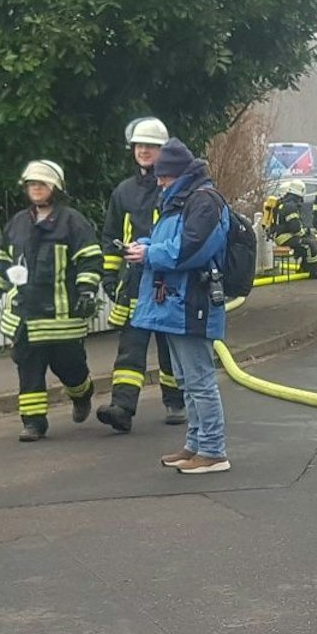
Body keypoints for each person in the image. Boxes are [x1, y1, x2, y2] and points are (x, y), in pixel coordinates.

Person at [123, 138, 232, 474]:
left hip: (191, 302)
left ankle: (213, 451)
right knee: (186, 378)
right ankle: (196, 446)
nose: (159, 181)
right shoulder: (182, 200)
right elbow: (173, 243)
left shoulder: (202, 202)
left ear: (178, 174)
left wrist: (149, 253)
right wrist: (145, 246)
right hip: (176, 303)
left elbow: (189, 250)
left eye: (164, 176)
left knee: (199, 379)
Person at [0, 160, 104, 442]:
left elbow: (90, 259)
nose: (36, 189)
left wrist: (87, 291)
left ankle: (82, 393)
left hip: (62, 319)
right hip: (25, 317)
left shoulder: (72, 222)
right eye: (32, 184)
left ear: (55, 188)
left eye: (42, 184)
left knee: (71, 369)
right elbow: (4, 263)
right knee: (29, 371)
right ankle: (34, 424)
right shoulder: (17, 224)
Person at [97, 117, 185, 433]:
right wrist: (109, 277)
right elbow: (110, 236)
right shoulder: (124, 192)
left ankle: (176, 401)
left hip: (167, 280)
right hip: (134, 282)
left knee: (169, 343)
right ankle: (122, 407)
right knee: (131, 345)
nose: (144, 151)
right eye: (139, 145)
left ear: (163, 150)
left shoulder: (175, 189)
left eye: (151, 146)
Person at [270, 180, 317, 278]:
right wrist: (305, 233)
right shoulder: (290, 206)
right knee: (309, 244)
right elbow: (295, 228)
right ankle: (315, 272)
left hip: (283, 235)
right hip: (284, 237)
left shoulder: (286, 204)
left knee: (309, 240)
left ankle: (305, 268)